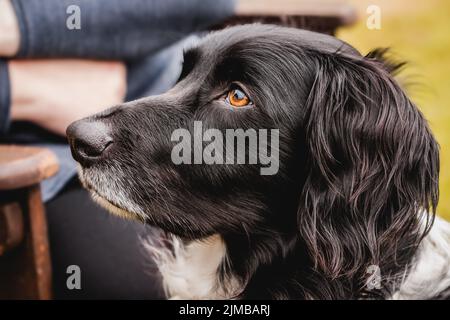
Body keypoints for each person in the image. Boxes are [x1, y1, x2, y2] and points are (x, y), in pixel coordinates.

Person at [0, 0, 236, 299]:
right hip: (32, 162)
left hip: (185, 104)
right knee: (136, 286)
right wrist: (18, 89)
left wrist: (9, 21)